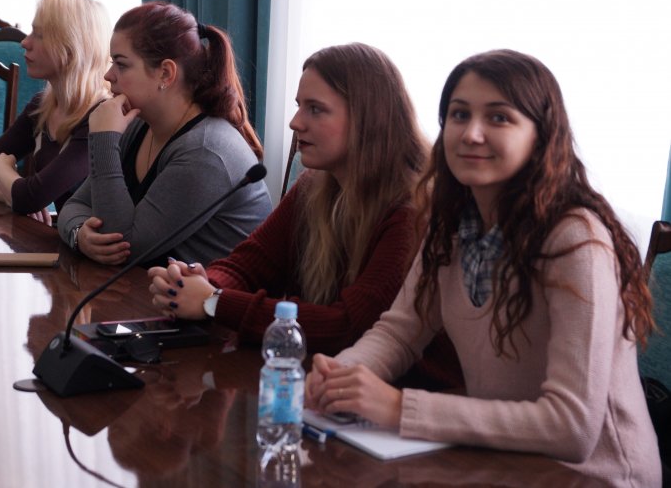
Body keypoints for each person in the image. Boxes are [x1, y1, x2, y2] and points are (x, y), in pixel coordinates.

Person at [305, 49, 661, 486]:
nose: (471, 134)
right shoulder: (452, 223)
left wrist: (399, 408)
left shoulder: (575, 239)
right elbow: (399, 332)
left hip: (594, 477)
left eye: (498, 118)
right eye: (459, 115)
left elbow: (571, 426)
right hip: (499, 462)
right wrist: (341, 374)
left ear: (542, 135)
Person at [147, 43, 460, 370]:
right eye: (299, 106)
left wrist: (215, 302)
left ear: (369, 118)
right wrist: (200, 284)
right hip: (321, 375)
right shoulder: (314, 187)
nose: (295, 123)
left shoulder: (412, 208)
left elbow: (349, 326)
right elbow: (247, 265)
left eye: (316, 109)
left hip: (401, 387)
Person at [58, 1, 272, 266]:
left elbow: (123, 249)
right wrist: (79, 234)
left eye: (121, 65)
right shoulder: (137, 125)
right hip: (150, 286)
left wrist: (104, 140)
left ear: (166, 73)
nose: (109, 75)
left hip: (214, 293)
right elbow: (75, 205)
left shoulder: (205, 151)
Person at [0, 0, 110, 221]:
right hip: (65, 235)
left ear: (71, 49)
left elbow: (33, 196)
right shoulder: (42, 106)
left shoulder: (101, 117)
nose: (25, 42)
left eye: (39, 35)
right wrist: (11, 196)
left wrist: (2, 169)